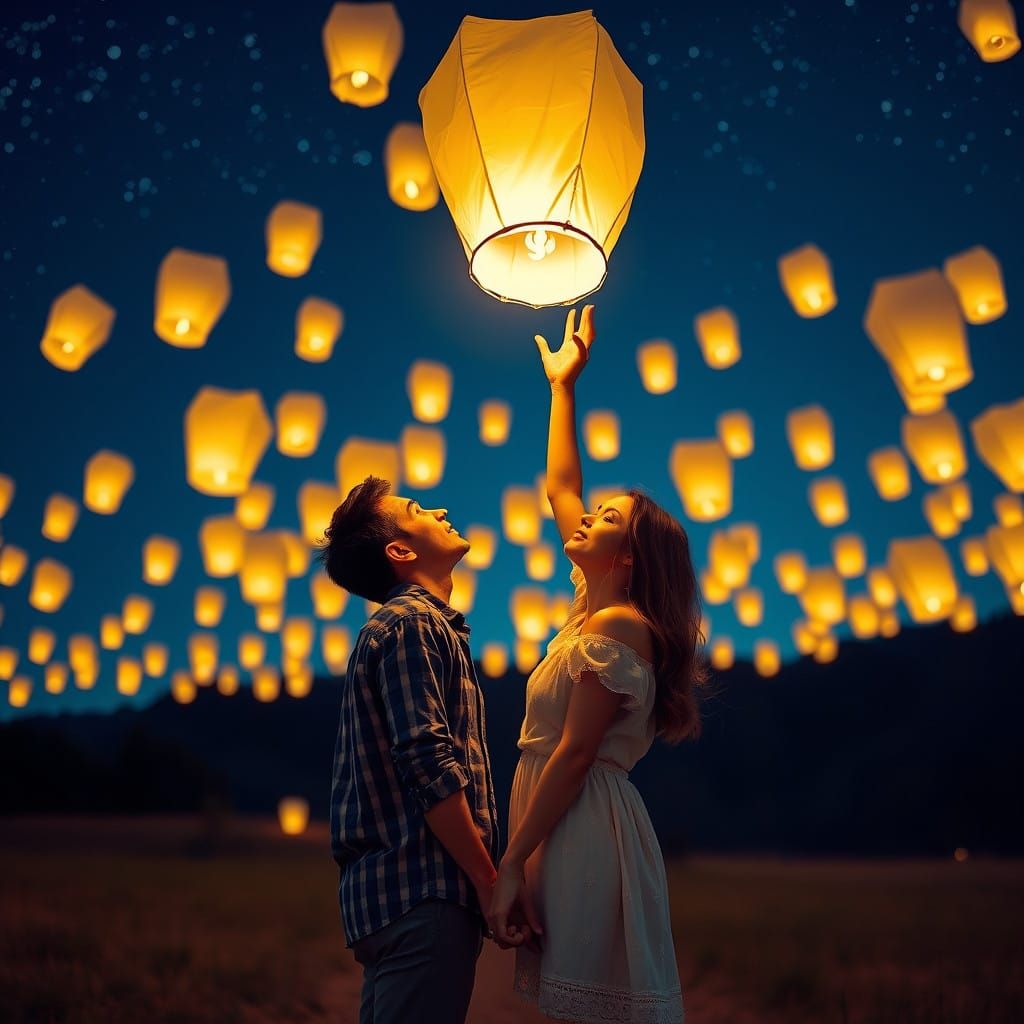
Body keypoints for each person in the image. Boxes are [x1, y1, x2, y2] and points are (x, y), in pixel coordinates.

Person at [487, 304, 707, 1024]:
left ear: (631, 558)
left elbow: (577, 752)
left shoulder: (618, 626)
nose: (585, 517)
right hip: (558, 817)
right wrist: (563, 387)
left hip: (580, 821)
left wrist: (511, 861)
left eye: (607, 518)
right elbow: (561, 489)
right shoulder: (592, 608)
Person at [318, 481, 542, 1024]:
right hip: (423, 892)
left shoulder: (412, 627)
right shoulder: (412, 625)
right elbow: (427, 763)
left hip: (396, 897)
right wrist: (489, 882)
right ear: (400, 550)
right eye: (417, 510)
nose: (439, 509)